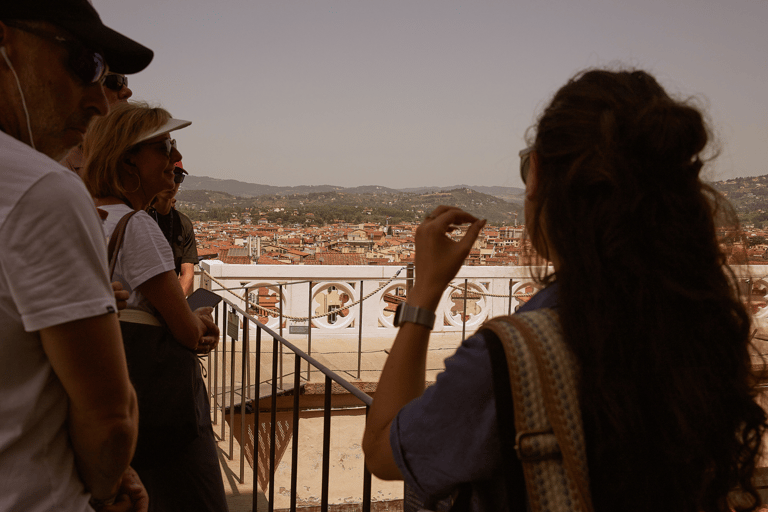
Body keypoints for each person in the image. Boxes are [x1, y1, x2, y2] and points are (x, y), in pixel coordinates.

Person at [362, 69, 768, 512]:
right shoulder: (704, 326)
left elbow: (383, 453)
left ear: (537, 172)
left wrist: (423, 293)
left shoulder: (514, 358)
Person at [0, 1, 153, 511]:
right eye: (85, 64)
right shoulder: (43, 190)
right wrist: (108, 484)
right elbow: (110, 416)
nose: (101, 102)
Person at [82, 101, 228, 512]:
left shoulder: (86, 214)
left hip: (111, 392)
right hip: (162, 407)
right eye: (163, 147)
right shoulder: (138, 225)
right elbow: (185, 331)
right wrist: (199, 320)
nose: (173, 159)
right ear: (129, 159)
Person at [61, 72, 133, 176]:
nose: (128, 91)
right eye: (115, 81)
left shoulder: (132, 160)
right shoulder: (60, 169)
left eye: (125, 82)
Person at [148, 171, 199, 296]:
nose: (172, 181)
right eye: (166, 174)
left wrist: (174, 307)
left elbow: (187, 274)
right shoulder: (140, 217)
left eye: (177, 177)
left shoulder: (184, 224)